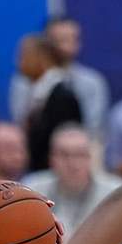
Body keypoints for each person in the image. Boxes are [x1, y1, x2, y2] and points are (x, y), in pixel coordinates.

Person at [10, 16, 109, 137]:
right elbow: (21, 123)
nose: (67, 46)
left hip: (78, 144)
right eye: (61, 40)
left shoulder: (92, 81)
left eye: (73, 39)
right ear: (46, 43)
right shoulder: (25, 81)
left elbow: (93, 126)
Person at [24, 124, 122, 237]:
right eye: (64, 155)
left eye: (80, 155)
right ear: (51, 159)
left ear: (91, 158)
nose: (73, 164)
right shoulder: (32, 191)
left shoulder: (115, 192)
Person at [17, 34, 82, 171]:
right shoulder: (38, 94)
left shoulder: (63, 98)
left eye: (24, 56)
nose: (19, 63)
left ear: (41, 57)